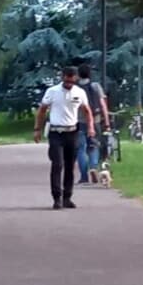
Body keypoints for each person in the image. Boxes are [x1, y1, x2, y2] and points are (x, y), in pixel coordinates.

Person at [34, 66, 97, 210]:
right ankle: (57, 197)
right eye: (66, 81)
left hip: (72, 132)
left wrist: (91, 127)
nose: (69, 84)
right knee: (57, 164)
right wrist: (37, 129)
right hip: (56, 132)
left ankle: (67, 197)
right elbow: (42, 110)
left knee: (70, 166)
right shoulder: (52, 91)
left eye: (72, 81)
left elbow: (87, 111)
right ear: (62, 77)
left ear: (76, 79)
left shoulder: (79, 92)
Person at [76, 63, 111, 185]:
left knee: (81, 149)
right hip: (95, 120)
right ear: (90, 74)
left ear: (78, 74)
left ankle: (84, 177)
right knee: (94, 146)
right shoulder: (95, 86)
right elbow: (102, 105)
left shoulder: (75, 88)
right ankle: (93, 167)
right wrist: (106, 121)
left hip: (79, 122)